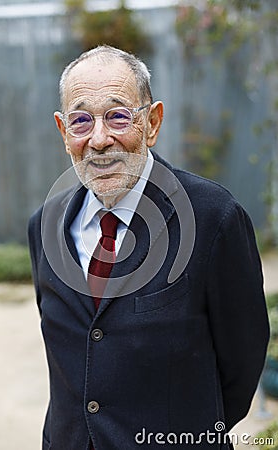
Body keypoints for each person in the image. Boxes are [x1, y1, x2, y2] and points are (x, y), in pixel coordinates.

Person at [28, 45, 269, 450]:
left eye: (119, 116)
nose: (100, 139)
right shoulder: (45, 227)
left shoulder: (214, 218)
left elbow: (242, 360)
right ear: (63, 132)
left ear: (152, 122)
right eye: (81, 121)